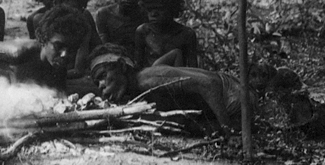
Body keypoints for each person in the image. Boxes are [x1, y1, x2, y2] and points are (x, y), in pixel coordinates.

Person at [88, 43, 257, 133]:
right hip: (234, 93)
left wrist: (227, 130)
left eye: (103, 76)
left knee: (186, 128)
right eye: (97, 84)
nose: (102, 87)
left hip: (237, 100)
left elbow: (208, 84)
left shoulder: (148, 80)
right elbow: (175, 55)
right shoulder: (145, 77)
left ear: (123, 67)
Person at [0, 5, 89, 92]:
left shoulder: (59, 64)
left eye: (72, 49)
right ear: (44, 38)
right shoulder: (18, 52)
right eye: (58, 46)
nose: (65, 54)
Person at [135, 0, 198, 68]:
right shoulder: (143, 32)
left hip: (179, 80)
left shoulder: (186, 35)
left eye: (159, 9)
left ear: (171, 8)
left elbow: (194, 70)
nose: (153, 14)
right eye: (150, 9)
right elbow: (138, 67)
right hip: (149, 79)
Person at [53, 0, 102, 78]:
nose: (73, 14)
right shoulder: (50, 23)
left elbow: (78, 70)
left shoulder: (84, 21)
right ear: (58, 5)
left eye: (78, 9)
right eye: (68, 10)